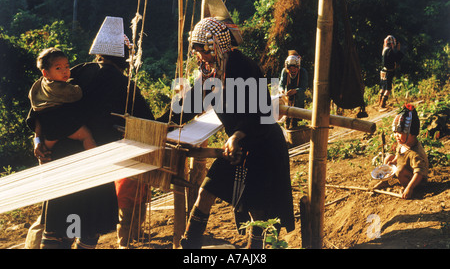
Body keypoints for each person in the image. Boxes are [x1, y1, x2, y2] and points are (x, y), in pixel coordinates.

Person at [29, 16, 155, 249]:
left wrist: (37, 140)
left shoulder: (74, 72)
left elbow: (40, 108)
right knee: (88, 228)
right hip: (95, 162)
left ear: (98, 51)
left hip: (63, 158)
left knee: (60, 227)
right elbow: (149, 123)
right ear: (124, 57)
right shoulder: (123, 84)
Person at [172, 16, 295, 249]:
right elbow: (191, 104)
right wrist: (166, 122)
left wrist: (238, 135)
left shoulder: (244, 67)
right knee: (206, 190)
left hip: (262, 143)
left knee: (256, 205)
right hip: (236, 146)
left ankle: (254, 249)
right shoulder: (210, 72)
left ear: (214, 46)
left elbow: (261, 110)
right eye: (195, 49)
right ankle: (190, 246)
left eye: (201, 49)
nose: (198, 55)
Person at [28, 47, 96, 159]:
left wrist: (38, 141)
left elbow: (36, 114)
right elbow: (77, 94)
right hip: (66, 124)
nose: (65, 71)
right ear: (45, 73)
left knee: (44, 152)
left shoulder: (38, 87)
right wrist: (76, 86)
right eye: (58, 68)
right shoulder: (61, 87)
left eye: (67, 66)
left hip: (49, 130)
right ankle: (98, 159)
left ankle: (42, 170)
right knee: (87, 137)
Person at [375, 104, 428, 199]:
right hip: (405, 168)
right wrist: (394, 161)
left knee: (400, 172)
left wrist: (409, 188)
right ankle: (385, 181)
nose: (396, 135)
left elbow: (419, 173)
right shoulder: (403, 143)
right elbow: (398, 156)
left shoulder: (416, 154)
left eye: (400, 133)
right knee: (388, 158)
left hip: (417, 180)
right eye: (395, 132)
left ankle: (408, 187)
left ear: (412, 134)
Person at [278, 50, 308, 129]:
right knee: (287, 117)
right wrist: (282, 91)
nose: (292, 71)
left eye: (294, 69)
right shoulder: (284, 72)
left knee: (295, 117)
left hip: (298, 97)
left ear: (298, 66)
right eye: (290, 69)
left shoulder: (303, 72)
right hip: (287, 98)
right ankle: (287, 125)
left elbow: (303, 88)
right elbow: (281, 84)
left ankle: (294, 124)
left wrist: (295, 91)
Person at [378, 35, 404, 111]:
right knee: (388, 89)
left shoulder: (384, 49)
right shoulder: (390, 51)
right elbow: (397, 58)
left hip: (383, 71)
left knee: (383, 88)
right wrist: (398, 50)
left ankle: (379, 102)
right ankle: (382, 105)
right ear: (392, 43)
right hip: (388, 72)